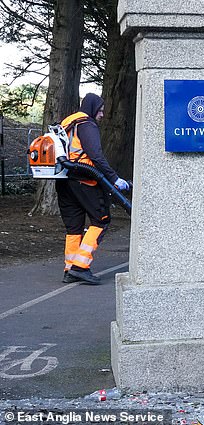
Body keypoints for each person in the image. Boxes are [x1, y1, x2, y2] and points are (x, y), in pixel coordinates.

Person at [55, 93, 129, 284]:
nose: (102, 115)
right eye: (101, 110)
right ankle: (80, 267)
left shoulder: (68, 123)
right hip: (85, 180)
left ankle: (69, 269)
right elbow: (95, 156)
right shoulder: (86, 125)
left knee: (74, 227)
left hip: (64, 180)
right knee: (101, 220)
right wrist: (114, 178)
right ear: (92, 108)